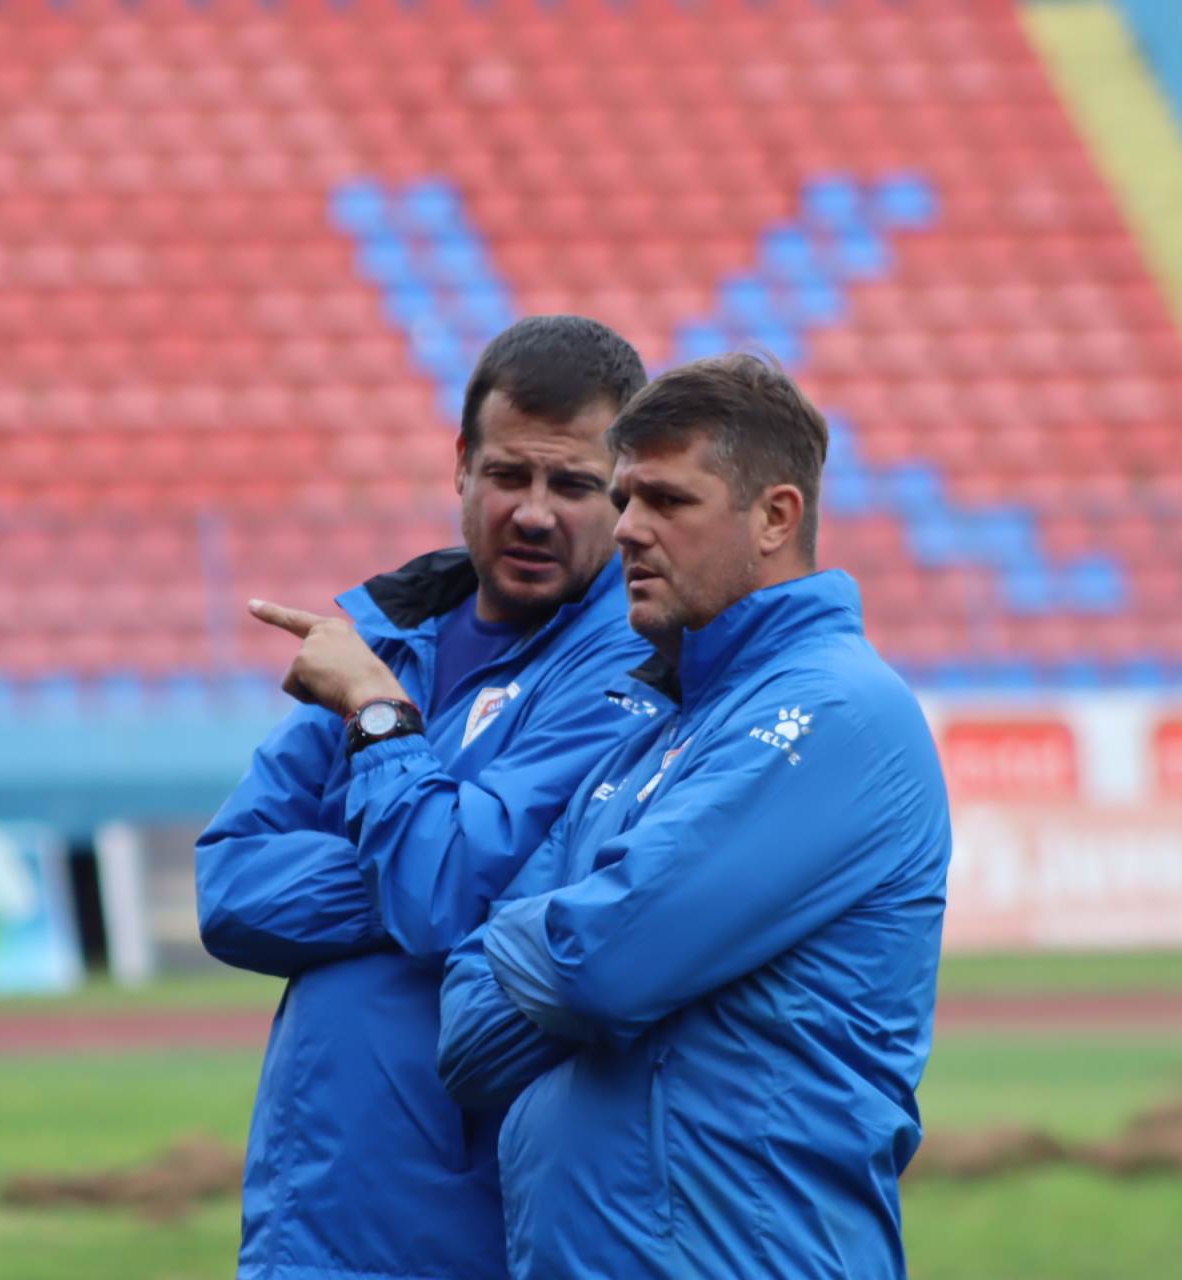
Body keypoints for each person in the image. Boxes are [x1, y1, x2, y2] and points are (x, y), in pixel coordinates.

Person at [437, 352, 953, 1279]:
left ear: (775, 517)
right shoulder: (655, 729)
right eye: (626, 498)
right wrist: (575, 950)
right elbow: (468, 1039)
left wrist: (560, 944)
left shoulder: (836, 713)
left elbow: (599, 965)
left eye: (668, 502)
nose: (628, 530)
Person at [196, 315, 657, 1280]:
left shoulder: (628, 663)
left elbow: (442, 887)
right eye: (509, 476)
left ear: (622, 493)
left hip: (465, 1222)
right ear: (461, 465)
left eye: (572, 485)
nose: (534, 512)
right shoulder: (390, 630)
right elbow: (231, 887)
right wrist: (442, 858)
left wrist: (374, 716)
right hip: (306, 1213)